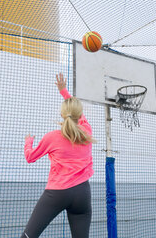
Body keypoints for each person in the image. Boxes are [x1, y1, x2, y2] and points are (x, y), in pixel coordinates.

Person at [21, 73, 94, 238]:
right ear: (79, 114)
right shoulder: (87, 132)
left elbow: (30, 157)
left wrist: (28, 142)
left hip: (58, 193)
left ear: (62, 114)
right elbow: (78, 113)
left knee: (28, 236)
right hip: (83, 193)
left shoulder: (52, 137)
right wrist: (64, 92)